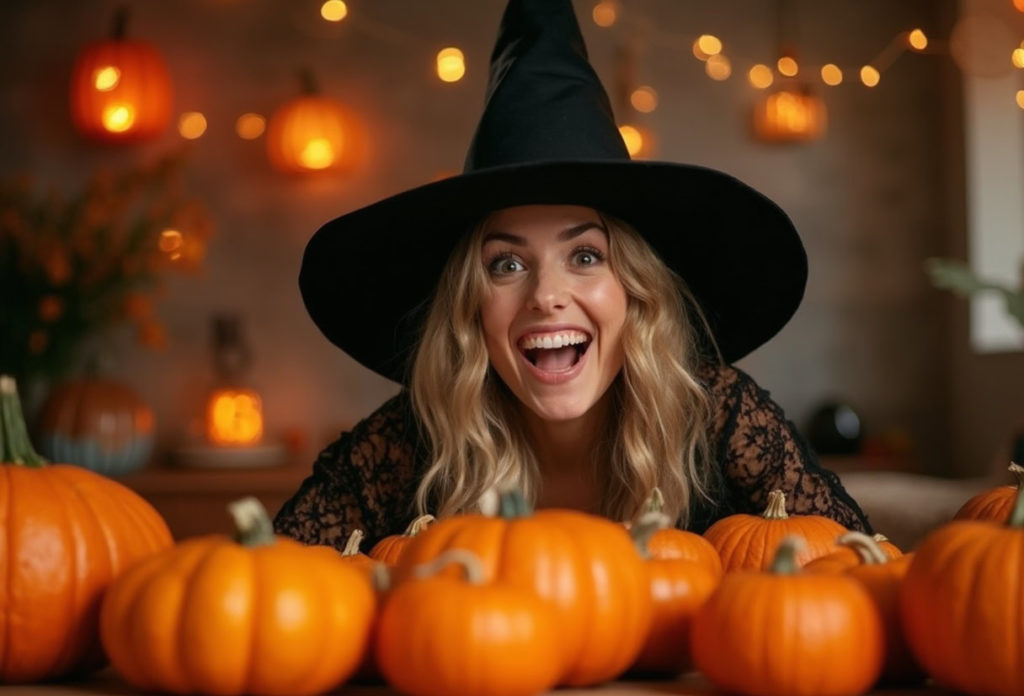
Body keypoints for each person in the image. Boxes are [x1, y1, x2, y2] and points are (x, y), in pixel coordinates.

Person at [274, 0, 872, 550]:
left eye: (585, 256)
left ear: (636, 291)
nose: (547, 297)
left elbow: (858, 574)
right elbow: (271, 583)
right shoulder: (414, 436)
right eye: (506, 265)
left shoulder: (714, 413)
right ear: (469, 307)